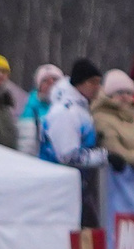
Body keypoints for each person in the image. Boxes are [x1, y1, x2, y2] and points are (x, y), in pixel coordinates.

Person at [47, 59, 112, 225]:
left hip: (77, 187)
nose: (97, 87)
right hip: (59, 188)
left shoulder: (82, 109)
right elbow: (68, 156)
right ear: (79, 83)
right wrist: (105, 156)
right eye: (92, 82)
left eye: (99, 82)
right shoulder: (66, 112)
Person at [24, 64, 64, 159]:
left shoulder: (69, 107)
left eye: (55, 79)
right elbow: (26, 143)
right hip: (42, 162)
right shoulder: (31, 108)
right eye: (45, 81)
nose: (51, 83)